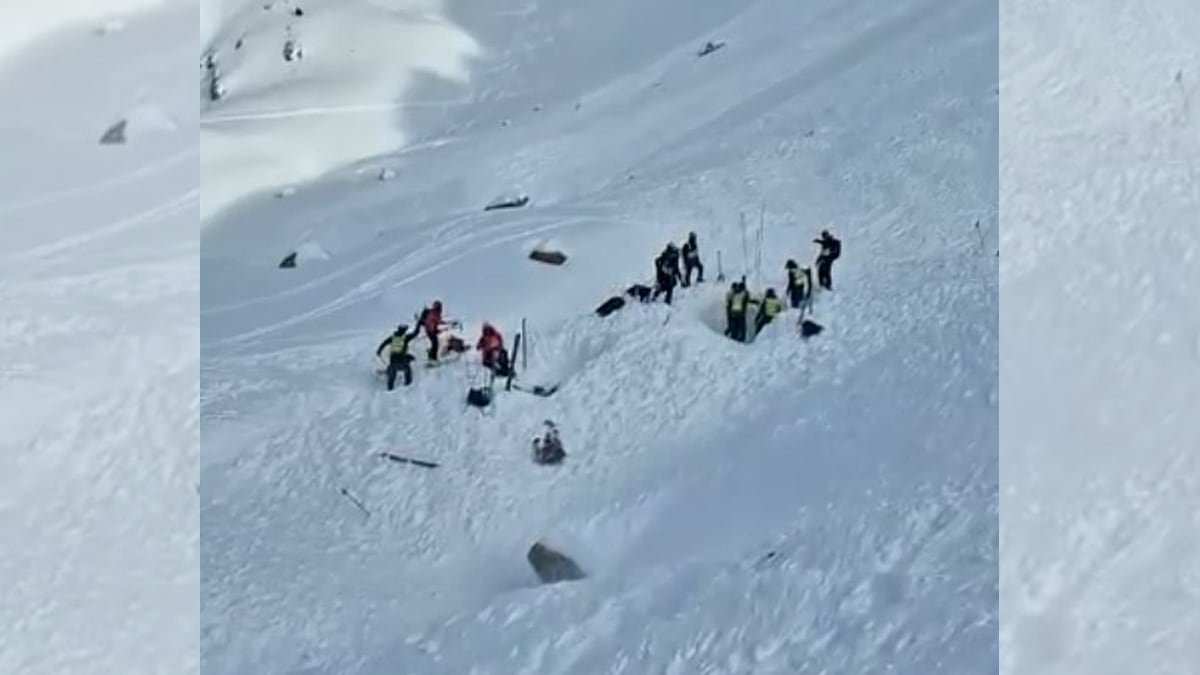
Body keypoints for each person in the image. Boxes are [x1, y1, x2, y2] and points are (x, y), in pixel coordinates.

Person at [375, 324, 419, 390]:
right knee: (408, 369)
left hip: (393, 360)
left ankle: (390, 388)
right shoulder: (406, 338)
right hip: (402, 360)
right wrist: (419, 323)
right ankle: (408, 385)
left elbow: (384, 343)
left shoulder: (392, 338)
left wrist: (379, 351)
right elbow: (416, 333)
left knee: (392, 373)